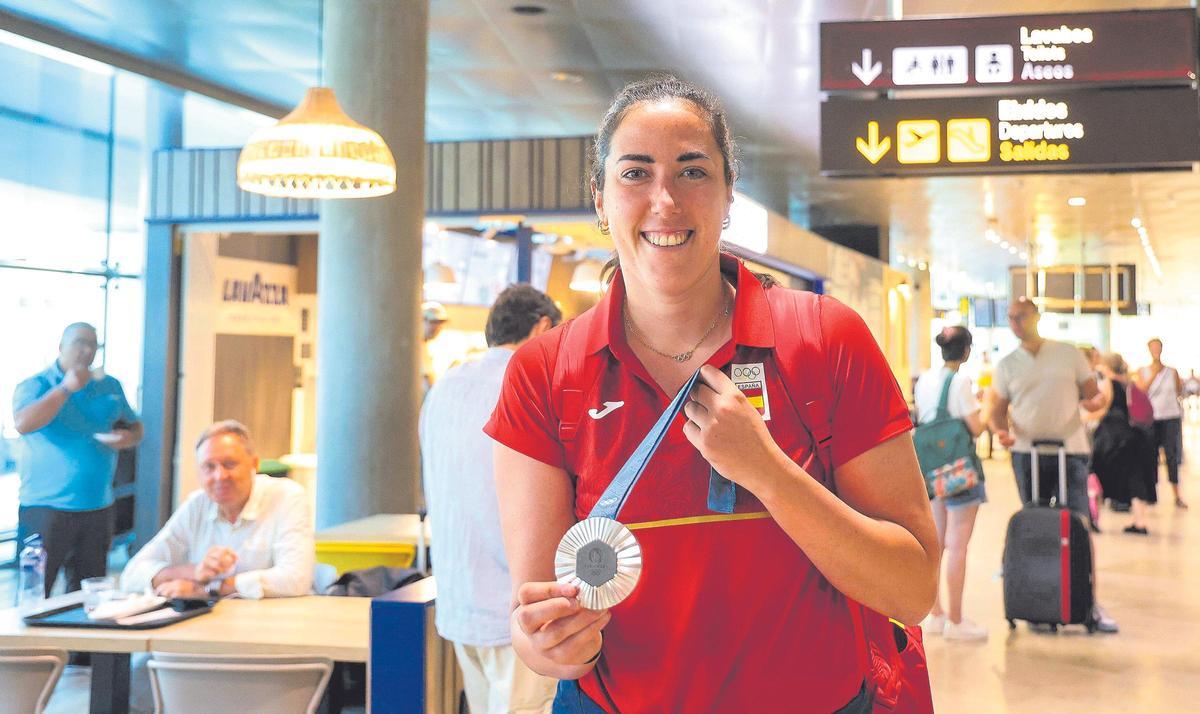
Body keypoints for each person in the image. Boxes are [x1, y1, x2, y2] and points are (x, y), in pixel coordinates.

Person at [485, 75, 939, 712]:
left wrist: (768, 473)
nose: (664, 200)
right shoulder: (544, 373)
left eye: (693, 172)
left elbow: (913, 586)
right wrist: (552, 643)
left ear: (729, 196)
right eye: (635, 174)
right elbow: (539, 621)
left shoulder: (824, 340)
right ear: (600, 199)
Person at [420, 284, 562, 714]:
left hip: (460, 602)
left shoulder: (444, 387)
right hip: (520, 609)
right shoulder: (533, 384)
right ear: (541, 327)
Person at [988, 298, 1117, 632]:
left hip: (1070, 450)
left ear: (1037, 317)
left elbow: (1091, 392)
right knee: (1034, 522)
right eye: (1011, 318)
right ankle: (1037, 598)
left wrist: (1097, 398)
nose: (1016, 323)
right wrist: (1001, 432)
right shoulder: (1007, 364)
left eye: (1022, 317)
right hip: (1026, 453)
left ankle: (1087, 601)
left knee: (1078, 523)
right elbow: (997, 409)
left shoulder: (1067, 353)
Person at [12, 323, 143, 596]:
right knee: (35, 591)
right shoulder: (36, 384)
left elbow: (136, 427)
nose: (87, 350)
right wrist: (65, 388)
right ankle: (30, 641)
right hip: (44, 508)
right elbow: (23, 423)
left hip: (97, 508)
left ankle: (79, 640)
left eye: (94, 345)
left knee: (88, 594)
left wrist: (127, 439)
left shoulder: (109, 385)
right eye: (80, 343)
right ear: (61, 347)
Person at [120, 420, 314, 599]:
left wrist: (207, 589)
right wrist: (195, 572)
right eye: (209, 467)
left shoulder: (287, 496)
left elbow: (295, 578)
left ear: (254, 464)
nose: (220, 476)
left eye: (230, 464)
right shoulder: (197, 505)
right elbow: (131, 575)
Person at [914, 326, 987, 641]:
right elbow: (976, 427)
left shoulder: (924, 380)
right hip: (959, 471)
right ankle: (957, 622)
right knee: (958, 544)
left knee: (937, 543)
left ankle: (936, 615)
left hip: (930, 468)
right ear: (966, 351)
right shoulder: (960, 382)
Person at [1092, 353, 1154, 535]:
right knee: (1135, 478)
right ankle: (1140, 522)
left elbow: (1103, 408)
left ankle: (1094, 519)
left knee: (1097, 475)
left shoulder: (1107, 383)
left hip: (1111, 436)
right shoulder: (1129, 382)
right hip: (1133, 433)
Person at [1134, 338, 1187, 509]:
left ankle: (1176, 495)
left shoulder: (1172, 372)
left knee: (1171, 456)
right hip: (1152, 419)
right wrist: (1155, 374)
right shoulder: (1143, 371)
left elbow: (1178, 391)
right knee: (1151, 456)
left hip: (1170, 417)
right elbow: (1142, 391)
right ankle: (1151, 494)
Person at [421, 300, 450, 393]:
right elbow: (428, 384)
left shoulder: (423, 346)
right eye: (433, 322)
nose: (437, 327)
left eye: (440, 323)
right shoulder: (416, 348)